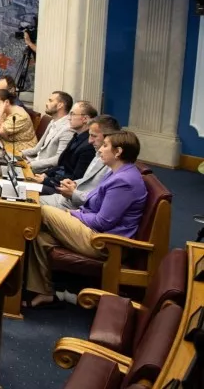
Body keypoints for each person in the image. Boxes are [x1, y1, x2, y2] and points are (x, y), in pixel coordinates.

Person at [25, 131, 147, 308]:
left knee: (41, 210)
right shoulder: (116, 173)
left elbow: (102, 222)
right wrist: (75, 190)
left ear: (118, 152)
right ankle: (44, 292)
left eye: (105, 146)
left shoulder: (124, 181)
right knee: (41, 237)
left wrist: (72, 214)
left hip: (106, 243)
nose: (100, 150)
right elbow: (95, 200)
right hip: (94, 232)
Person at [41, 115, 121, 210]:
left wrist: (73, 193)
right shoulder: (98, 153)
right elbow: (86, 180)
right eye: (89, 135)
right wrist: (74, 183)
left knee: (32, 203)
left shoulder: (114, 164)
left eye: (94, 136)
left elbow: (99, 200)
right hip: (69, 199)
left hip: (80, 207)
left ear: (108, 137)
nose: (90, 141)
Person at [31, 101, 98, 190]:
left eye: (72, 114)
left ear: (85, 119)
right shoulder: (76, 136)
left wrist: (46, 180)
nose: (69, 118)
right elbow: (62, 164)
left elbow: (75, 178)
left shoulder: (89, 146)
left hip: (64, 189)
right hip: (56, 180)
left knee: (27, 190)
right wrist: (46, 175)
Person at [22, 91, 76, 173]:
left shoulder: (68, 129)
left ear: (60, 105)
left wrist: (31, 165)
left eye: (50, 101)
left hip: (43, 171)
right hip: (33, 161)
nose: (46, 103)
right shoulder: (53, 121)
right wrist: (19, 154)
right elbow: (37, 149)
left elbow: (58, 159)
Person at [0, 89, 37, 154]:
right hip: (8, 144)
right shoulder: (5, 111)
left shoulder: (19, 116)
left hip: (22, 149)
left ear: (7, 102)